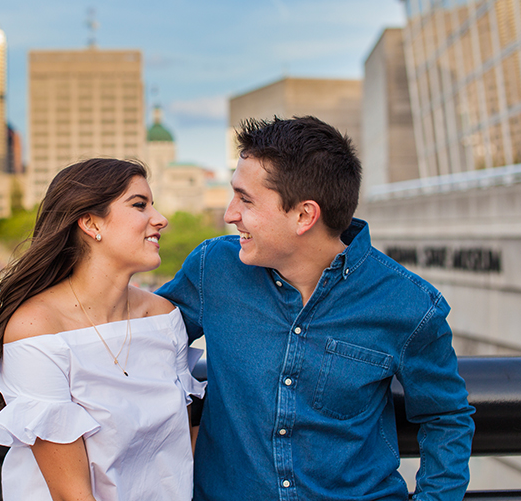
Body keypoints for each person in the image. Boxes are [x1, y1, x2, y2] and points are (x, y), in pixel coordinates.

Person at [157, 116, 474, 500]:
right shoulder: (213, 269)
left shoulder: (410, 306)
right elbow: (135, 338)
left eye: (245, 199)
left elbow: (446, 418)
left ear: (304, 215)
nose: (229, 214)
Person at [0, 158, 205, 501]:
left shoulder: (163, 318)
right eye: (140, 205)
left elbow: (179, 451)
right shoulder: (37, 329)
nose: (160, 219)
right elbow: (72, 495)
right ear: (91, 223)